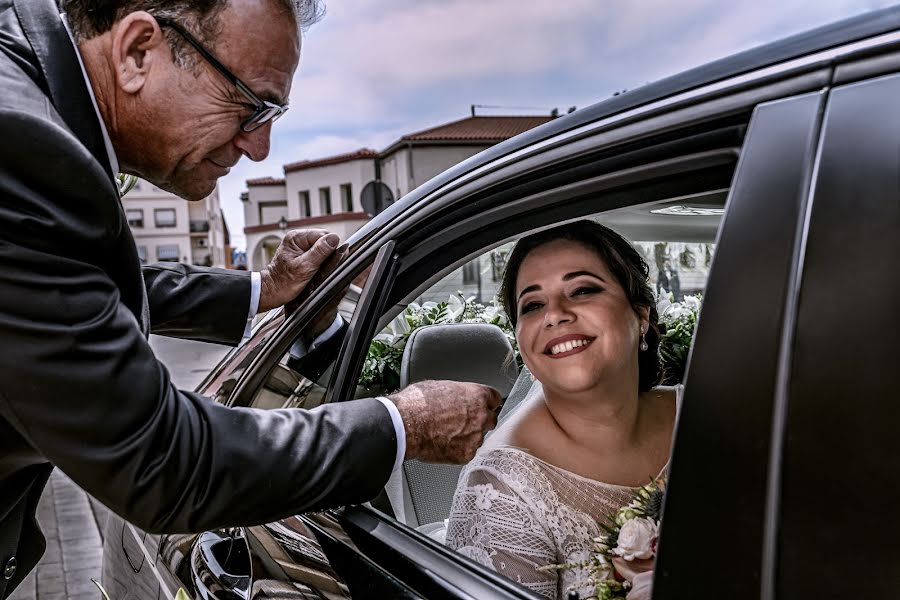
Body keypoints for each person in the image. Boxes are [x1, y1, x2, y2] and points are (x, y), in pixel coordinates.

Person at [0, 0, 499, 596]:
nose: (259, 146)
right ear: (138, 52)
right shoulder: (22, 148)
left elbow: (70, 283)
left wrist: (265, 289)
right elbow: (164, 463)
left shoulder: (30, 101)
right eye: (252, 105)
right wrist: (405, 422)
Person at [445, 221, 679, 600]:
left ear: (641, 315)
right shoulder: (500, 490)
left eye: (582, 289)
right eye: (533, 305)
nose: (554, 314)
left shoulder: (705, 412)